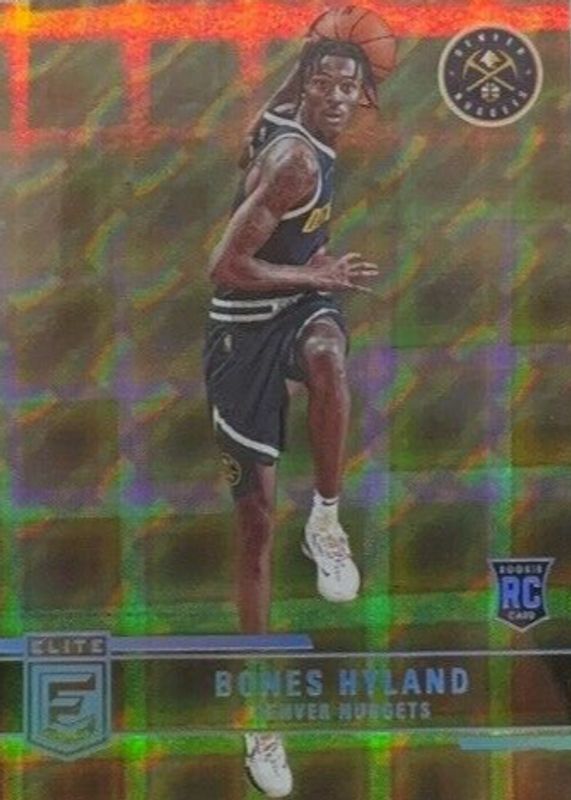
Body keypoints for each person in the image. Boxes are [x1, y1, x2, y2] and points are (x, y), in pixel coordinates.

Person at [204, 37, 379, 798]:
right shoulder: (294, 164)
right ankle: (260, 719)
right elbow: (224, 266)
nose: (338, 96)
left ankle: (327, 522)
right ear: (305, 89)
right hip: (240, 328)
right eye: (325, 83)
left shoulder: (288, 113)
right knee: (253, 526)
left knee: (329, 359)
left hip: (299, 306)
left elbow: (309, 77)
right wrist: (318, 271)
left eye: (349, 86)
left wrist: (323, 36)